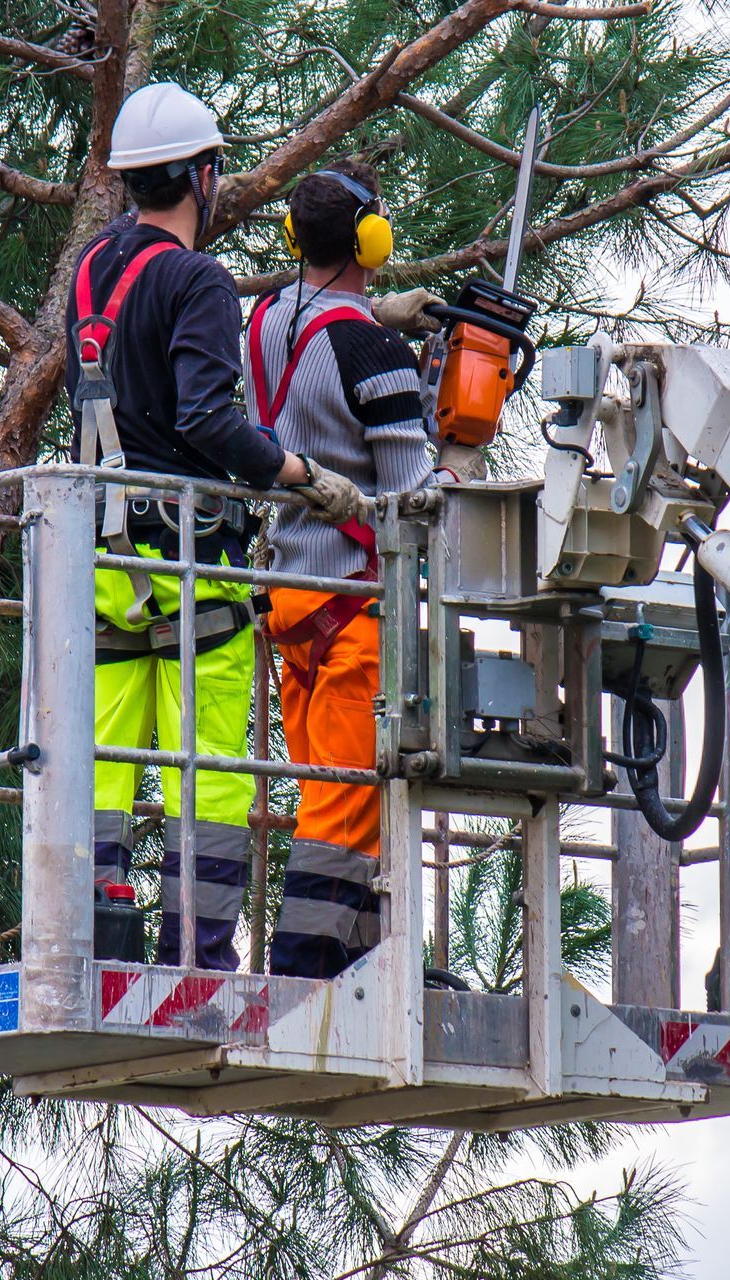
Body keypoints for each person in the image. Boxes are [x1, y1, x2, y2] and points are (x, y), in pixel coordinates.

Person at [67, 83, 368, 972]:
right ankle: (193, 953)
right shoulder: (195, 279)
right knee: (210, 768)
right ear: (204, 175)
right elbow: (206, 417)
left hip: (105, 553)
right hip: (191, 553)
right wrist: (299, 474)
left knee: (108, 755)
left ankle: (100, 932)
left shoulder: (93, 267)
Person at [244, 159, 445, 979]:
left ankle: (367, 954)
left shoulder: (261, 321)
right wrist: (451, 460)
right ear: (372, 237)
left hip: (291, 595)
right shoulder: (371, 348)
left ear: (296, 237)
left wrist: (375, 318)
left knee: (332, 786)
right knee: (347, 793)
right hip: (355, 603)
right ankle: (302, 964)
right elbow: (408, 491)